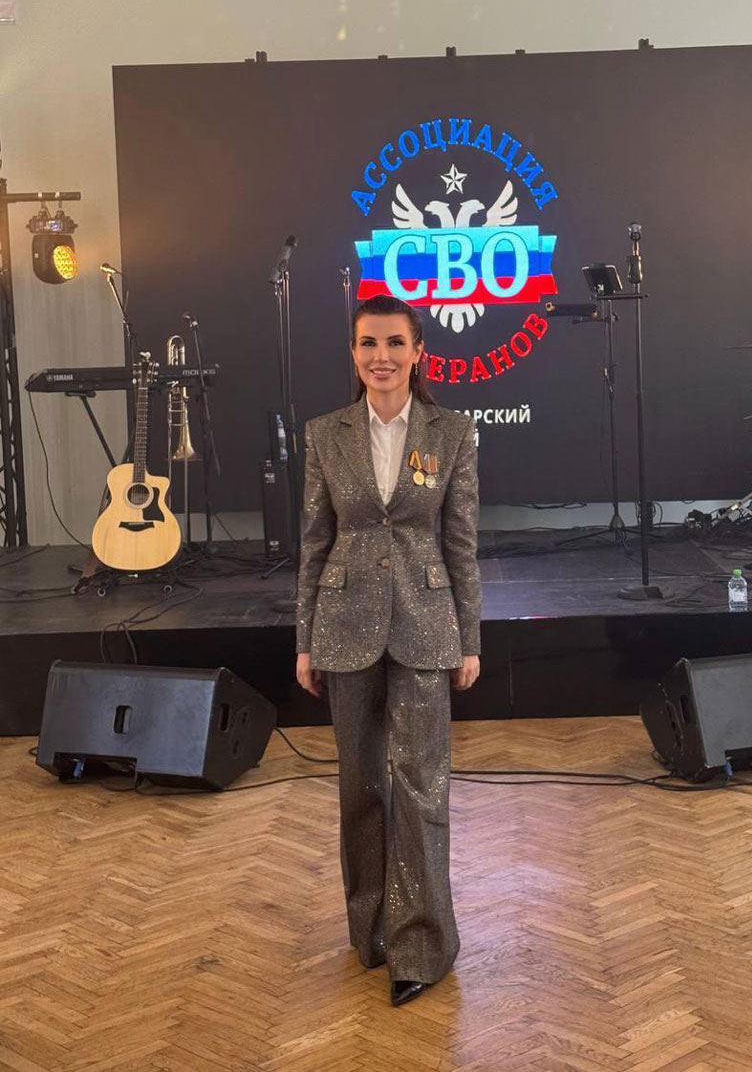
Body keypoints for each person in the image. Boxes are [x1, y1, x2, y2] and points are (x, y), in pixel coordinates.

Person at [295, 292, 481, 1007]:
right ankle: (371, 932)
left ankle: (423, 945)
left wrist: (469, 637)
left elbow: (461, 543)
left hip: (426, 625)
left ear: (418, 352)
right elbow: (315, 542)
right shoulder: (324, 434)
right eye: (369, 343)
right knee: (361, 786)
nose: (382, 356)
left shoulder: (452, 431)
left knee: (422, 786)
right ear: (353, 352)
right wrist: (305, 640)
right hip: (343, 626)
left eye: (395, 343)